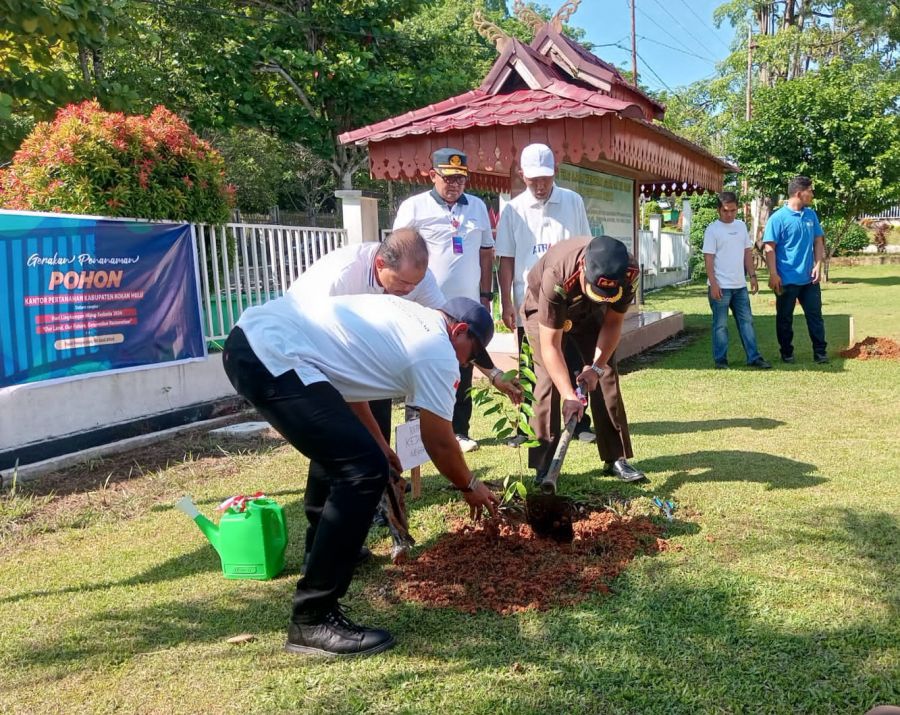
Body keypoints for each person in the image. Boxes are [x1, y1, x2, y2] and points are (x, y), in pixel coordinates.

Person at [222, 293, 502, 657]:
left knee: (358, 458)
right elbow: (439, 441)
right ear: (460, 330)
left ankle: (323, 558)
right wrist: (470, 485)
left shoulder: (409, 318)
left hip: (257, 342)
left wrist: (378, 442)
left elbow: (348, 380)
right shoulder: (438, 350)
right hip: (272, 355)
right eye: (472, 351)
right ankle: (312, 619)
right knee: (361, 470)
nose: (467, 363)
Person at [393, 148, 494, 453]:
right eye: (448, 178)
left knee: (463, 368)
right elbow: (398, 253)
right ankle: (418, 436)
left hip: (466, 305)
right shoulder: (414, 207)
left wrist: (486, 296)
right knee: (422, 368)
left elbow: (486, 253)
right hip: (425, 306)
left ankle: (459, 431)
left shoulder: (476, 207)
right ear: (432, 175)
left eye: (460, 179)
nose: (454, 185)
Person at [523, 235, 646, 484]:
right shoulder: (557, 275)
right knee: (547, 380)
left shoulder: (629, 271)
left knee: (606, 373)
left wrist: (596, 368)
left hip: (590, 313)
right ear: (582, 269)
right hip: (545, 309)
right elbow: (551, 347)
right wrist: (570, 395)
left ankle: (616, 457)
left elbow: (612, 323)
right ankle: (544, 464)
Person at [496, 142, 596, 443]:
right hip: (531, 301)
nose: (540, 185)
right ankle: (530, 428)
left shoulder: (572, 201)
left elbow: (586, 248)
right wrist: (506, 303)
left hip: (571, 298)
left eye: (545, 178)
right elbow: (506, 259)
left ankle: (578, 422)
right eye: (532, 179)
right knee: (532, 366)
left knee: (574, 358)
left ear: (555, 172)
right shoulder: (513, 209)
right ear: (521, 175)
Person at [702, 191, 772, 370]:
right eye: (726, 211)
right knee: (721, 325)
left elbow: (747, 253)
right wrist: (714, 284)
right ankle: (721, 360)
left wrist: (753, 276)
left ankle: (754, 357)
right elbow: (708, 259)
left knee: (747, 322)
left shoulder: (741, 227)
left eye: (733, 210)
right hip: (720, 287)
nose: (729, 214)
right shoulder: (712, 230)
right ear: (719, 210)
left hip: (739, 286)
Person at [763, 175, 829, 364]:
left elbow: (818, 241)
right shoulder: (778, 218)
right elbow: (769, 247)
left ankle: (820, 353)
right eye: (811, 190)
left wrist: (817, 265)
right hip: (785, 280)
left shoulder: (811, 215)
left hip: (809, 279)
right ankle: (787, 353)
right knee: (784, 319)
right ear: (800, 193)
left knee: (815, 317)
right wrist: (774, 274)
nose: (813, 194)